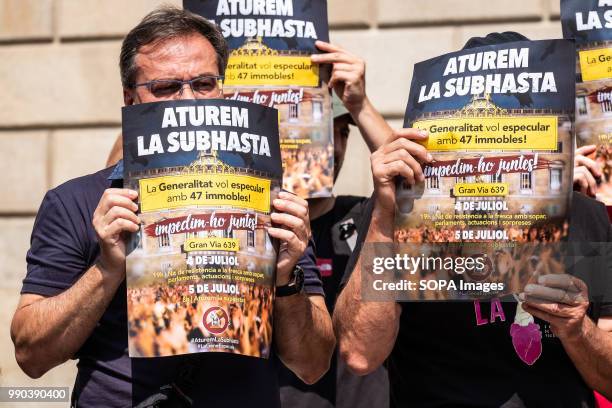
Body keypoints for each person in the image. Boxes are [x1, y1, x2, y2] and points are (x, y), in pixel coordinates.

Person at [10, 7, 335, 408]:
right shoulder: (78, 202)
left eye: (203, 83)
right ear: (130, 99)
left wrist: (285, 279)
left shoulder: (273, 202)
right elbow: (30, 355)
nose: (187, 101)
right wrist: (107, 269)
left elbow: (314, 364)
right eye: (164, 87)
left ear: (224, 90)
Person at [333, 33, 612, 407]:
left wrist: (578, 329)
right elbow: (359, 354)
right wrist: (386, 216)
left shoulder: (586, 217)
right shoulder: (400, 211)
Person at [278, 43, 393, 408]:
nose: (335, 146)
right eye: (321, 131)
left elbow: (418, 189)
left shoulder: (367, 216)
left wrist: (361, 106)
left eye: (343, 133)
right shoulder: (247, 225)